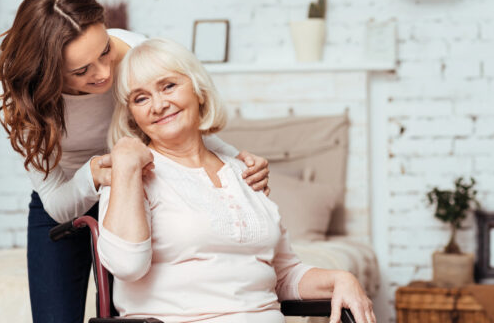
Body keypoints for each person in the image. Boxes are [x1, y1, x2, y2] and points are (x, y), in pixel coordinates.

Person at [0, 0, 270, 323]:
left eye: (105, 50)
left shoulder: (136, 51)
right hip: (65, 196)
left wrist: (235, 161)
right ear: (46, 72)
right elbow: (53, 196)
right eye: (82, 71)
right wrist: (93, 174)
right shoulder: (14, 93)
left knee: (121, 314)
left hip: (136, 189)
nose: (104, 72)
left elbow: (179, 122)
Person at [98, 38, 376, 323]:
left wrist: (341, 279)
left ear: (199, 90)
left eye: (168, 86)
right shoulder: (129, 176)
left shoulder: (243, 173)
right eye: (141, 98)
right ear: (131, 115)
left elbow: (282, 274)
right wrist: (127, 164)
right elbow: (126, 265)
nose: (158, 105)